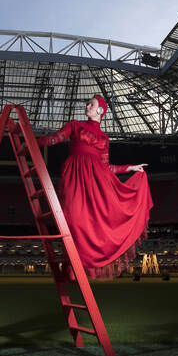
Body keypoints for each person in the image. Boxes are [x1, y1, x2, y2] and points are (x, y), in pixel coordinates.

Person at [37, 95, 153, 278]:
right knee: (74, 220)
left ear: (101, 110)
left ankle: (81, 266)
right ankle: (73, 267)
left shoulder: (104, 138)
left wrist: (129, 168)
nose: (87, 106)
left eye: (91, 104)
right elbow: (54, 139)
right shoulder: (75, 124)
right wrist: (31, 141)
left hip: (97, 181)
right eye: (87, 103)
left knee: (92, 221)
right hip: (74, 176)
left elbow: (106, 166)